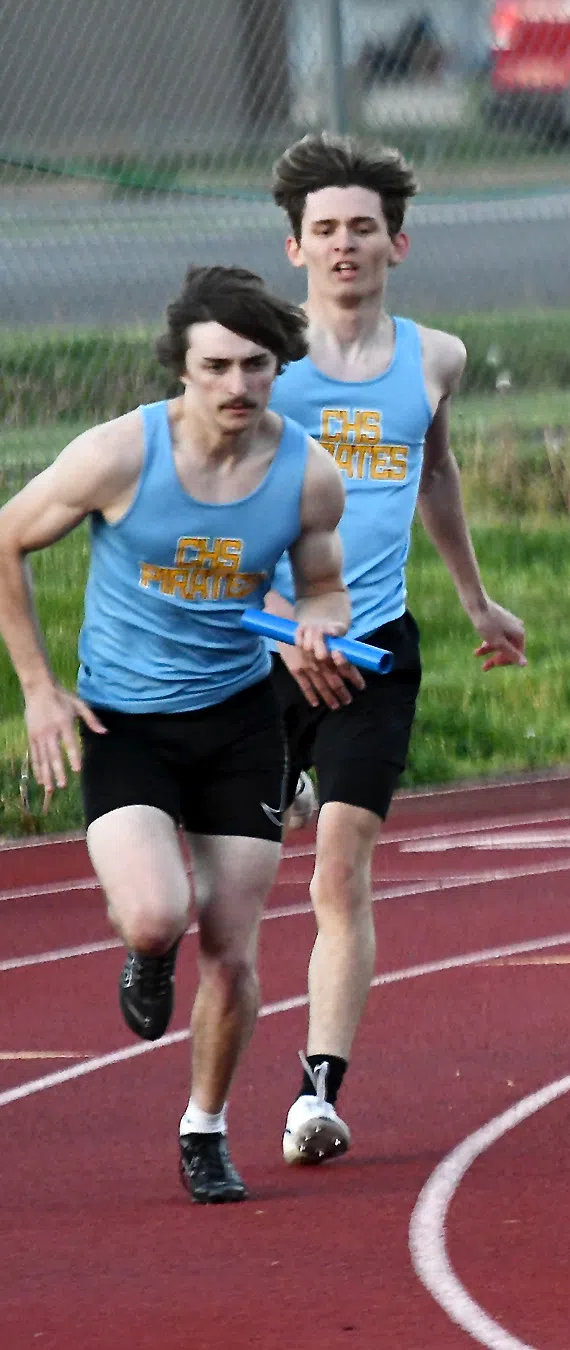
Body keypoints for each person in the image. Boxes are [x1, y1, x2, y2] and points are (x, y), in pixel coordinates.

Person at [0, 266, 352, 1203]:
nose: (238, 385)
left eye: (256, 366)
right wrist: (37, 689)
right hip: (125, 723)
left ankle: (205, 1128)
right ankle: (147, 951)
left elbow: (323, 585)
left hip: (239, 724)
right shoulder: (120, 455)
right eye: (216, 367)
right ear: (182, 369)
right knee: (159, 913)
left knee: (232, 950)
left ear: (278, 367)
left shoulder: (307, 474)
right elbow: (7, 537)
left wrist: (318, 625)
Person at [260, 132, 528, 1167]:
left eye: (362, 228)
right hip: (262, 648)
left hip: (374, 651)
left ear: (396, 244)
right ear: (295, 247)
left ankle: (318, 1091)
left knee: (340, 872)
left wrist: (477, 600)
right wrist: (282, 627)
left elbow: (436, 473)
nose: (344, 245)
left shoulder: (435, 359)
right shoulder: (261, 364)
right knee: (221, 883)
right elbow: (209, 505)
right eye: (324, 229)